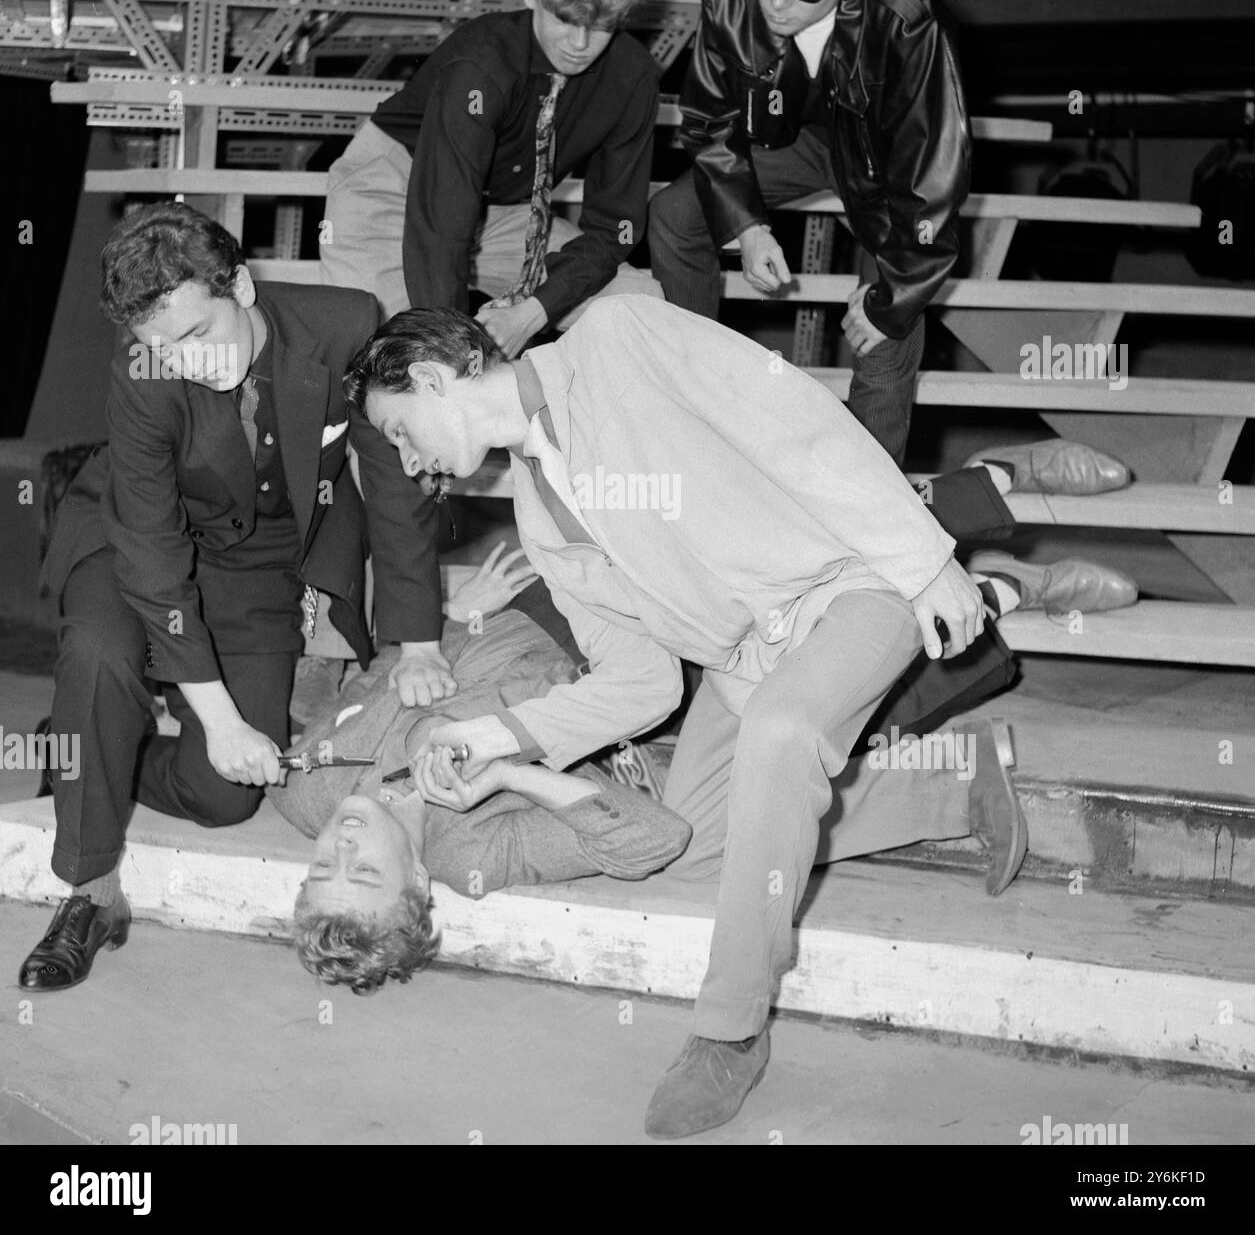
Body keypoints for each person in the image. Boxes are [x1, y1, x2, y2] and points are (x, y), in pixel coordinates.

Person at [342, 294, 1036, 1139]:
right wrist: (492, 737)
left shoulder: (616, 337)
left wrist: (921, 562)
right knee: (685, 841)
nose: (411, 464)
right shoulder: (537, 516)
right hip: (747, 659)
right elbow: (642, 684)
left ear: (431, 376)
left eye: (402, 432)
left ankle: (730, 1030)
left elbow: (799, 425)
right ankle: (954, 784)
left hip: (853, 580)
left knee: (782, 733)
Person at [18, 202, 442, 994]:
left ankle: (78, 739)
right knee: (100, 650)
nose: (184, 362)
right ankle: (87, 894)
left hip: (259, 566)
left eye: (196, 335)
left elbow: (393, 484)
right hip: (133, 537)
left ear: (241, 286)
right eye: (159, 349)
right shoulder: (146, 370)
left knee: (225, 797)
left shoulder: (347, 325)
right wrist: (214, 717)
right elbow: (150, 549)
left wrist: (417, 640)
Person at [648, 0, 967, 467]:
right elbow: (711, 124)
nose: (775, 1)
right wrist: (746, 223)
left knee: (891, 319)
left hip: (883, 161)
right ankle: (697, 406)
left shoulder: (905, 23)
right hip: (795, 140)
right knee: (674, 212)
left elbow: (934, 170)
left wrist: (895, 299)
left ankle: (873, 508)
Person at [267, 591, 693, 995]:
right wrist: (511, 774)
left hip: (513, 608)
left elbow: (369, 683)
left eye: (323, 865)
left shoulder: (302, 788)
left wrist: (455, 617)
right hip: (612, 654)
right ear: (417, 879)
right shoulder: (472, 854)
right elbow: (656, 840)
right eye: (363, 871)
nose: (342, 845)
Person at [320, 0, 665, 358]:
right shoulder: (482, 66)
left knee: (642, 309)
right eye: (566, 17)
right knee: (404, 360)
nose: (580, 43)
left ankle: (565, 429)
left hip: (509, 210)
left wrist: (532, 313)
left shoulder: (634, 77)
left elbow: (613, 230)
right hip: (396, 189)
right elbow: (442, 222)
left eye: (602, 24)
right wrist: (453, 345)